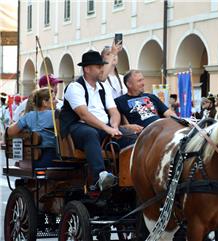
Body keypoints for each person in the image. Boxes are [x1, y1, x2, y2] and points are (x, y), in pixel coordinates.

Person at [60, 50, 136, 191]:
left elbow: (114, 111)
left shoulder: (103, 87)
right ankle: (99, 177)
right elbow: (84, 115)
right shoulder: (74, 87)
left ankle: (130, 176)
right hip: (78, 127)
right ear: (87, 69)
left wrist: (114, 126)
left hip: (103, 127)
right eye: (99, 66)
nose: (102, 69)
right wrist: (107, 128)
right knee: (90, 133)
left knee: (131, 136)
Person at [7, 88, 61, 168]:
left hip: (34, 159)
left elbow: (10, 132)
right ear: (44, 102)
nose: (56, 101)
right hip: (51, 159)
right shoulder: (55, 115)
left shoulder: (29, 116)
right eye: (53, 99)